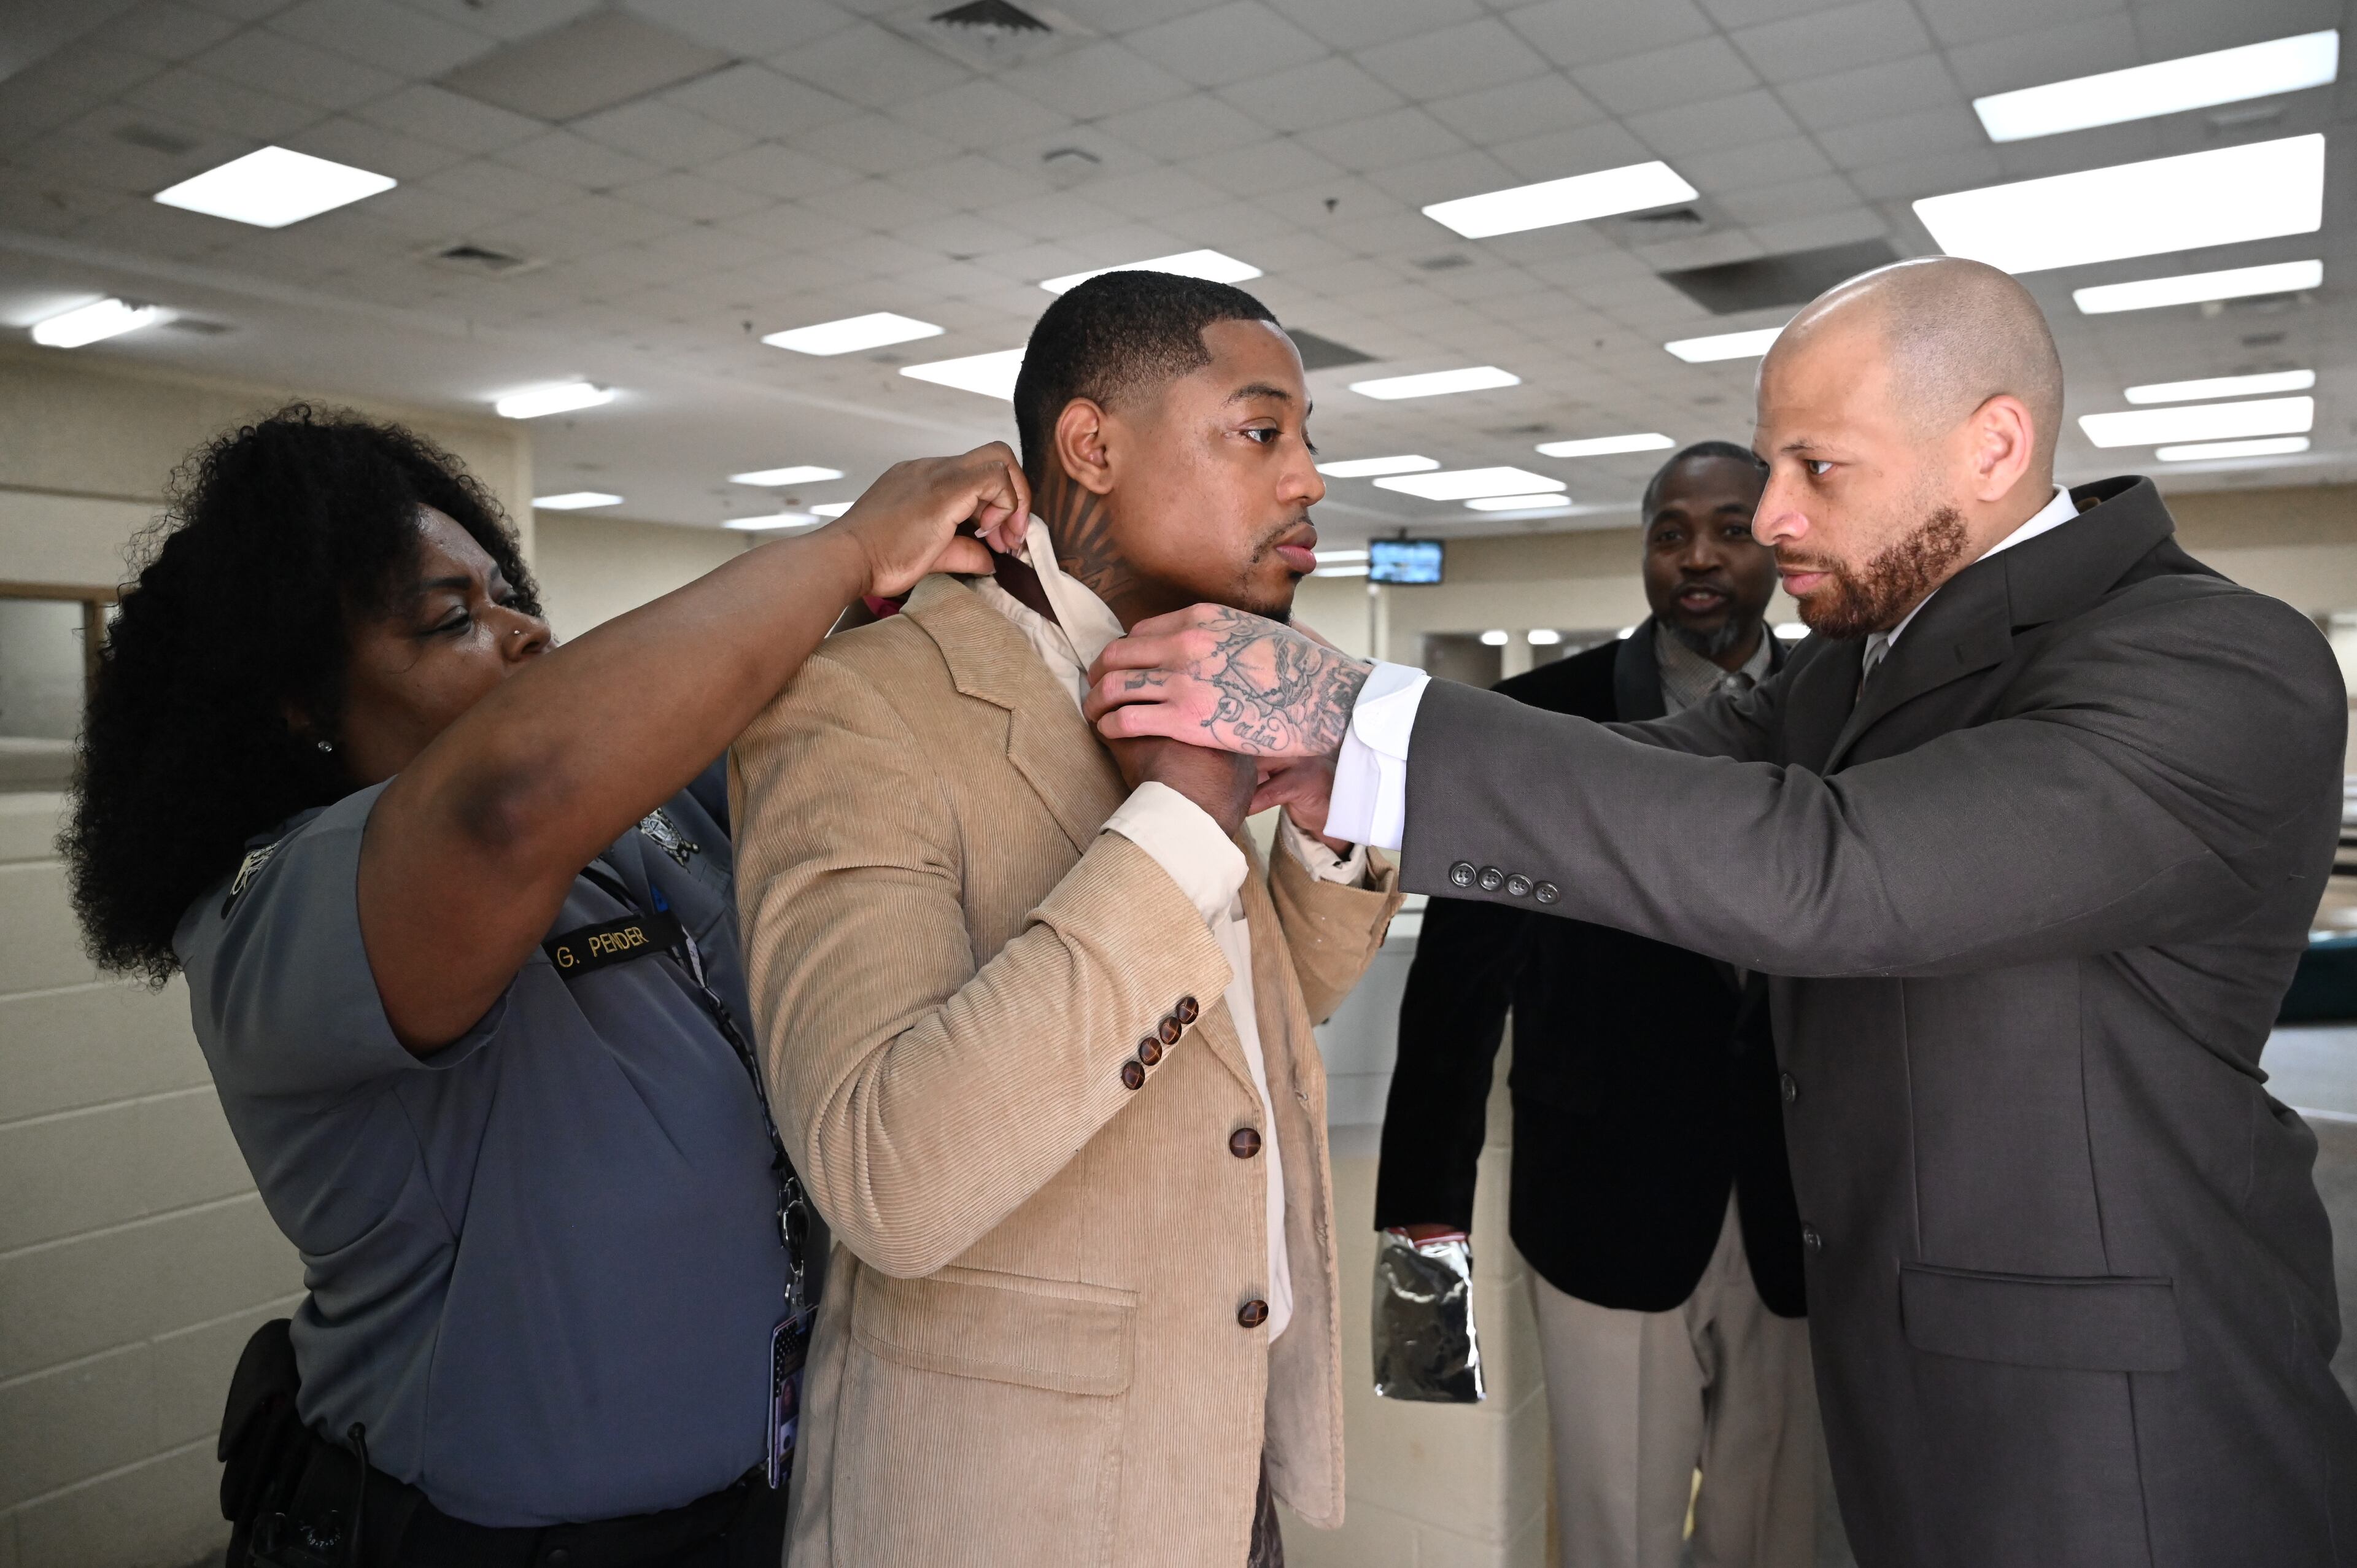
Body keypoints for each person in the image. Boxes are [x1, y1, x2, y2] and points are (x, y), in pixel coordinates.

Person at [1083, 257, 2357, 1567]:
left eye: (1818, 468)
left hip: (2119, 1433)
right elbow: (1664, 770)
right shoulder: (1856, 660)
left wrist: (1360, 710)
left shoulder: (2211, 662)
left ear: (1993, 445)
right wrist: (1354, 770)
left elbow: (1837, 872)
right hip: (1884, 1361)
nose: (1774, 519)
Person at [63, 406, 1028, 1566]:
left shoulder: (638, 825)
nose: (522, 631)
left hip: (760, 1503)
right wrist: (846, 549)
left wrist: (916, 590)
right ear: (299, 702)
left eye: (504, 590)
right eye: (449, 622)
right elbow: (507, 797)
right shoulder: (271, 911)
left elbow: (791, 732)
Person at [727, 271, 1401, 1568]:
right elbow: (888, 1174)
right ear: (1092, 447)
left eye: (1311, 441)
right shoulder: (861, 705)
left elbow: (1260, 1020)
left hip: (1226, 1448)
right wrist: (1186, 826)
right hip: (1011, 1502)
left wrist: (1330, 809)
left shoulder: (1185, 682)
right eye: (1265, 432)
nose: (1310, 479)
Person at [1376, 441, 1816, 1568]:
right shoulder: (1541, 723)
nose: (1701, 558)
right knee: (1616, 1534)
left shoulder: (1845, 714)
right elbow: (1453, 1001)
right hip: (1605, 1208)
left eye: (1730, 528)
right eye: (1672, 534)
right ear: (1644, 553)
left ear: (1778, 542)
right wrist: (1423, 1259)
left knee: (1776, 1534)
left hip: (1802, 1212)